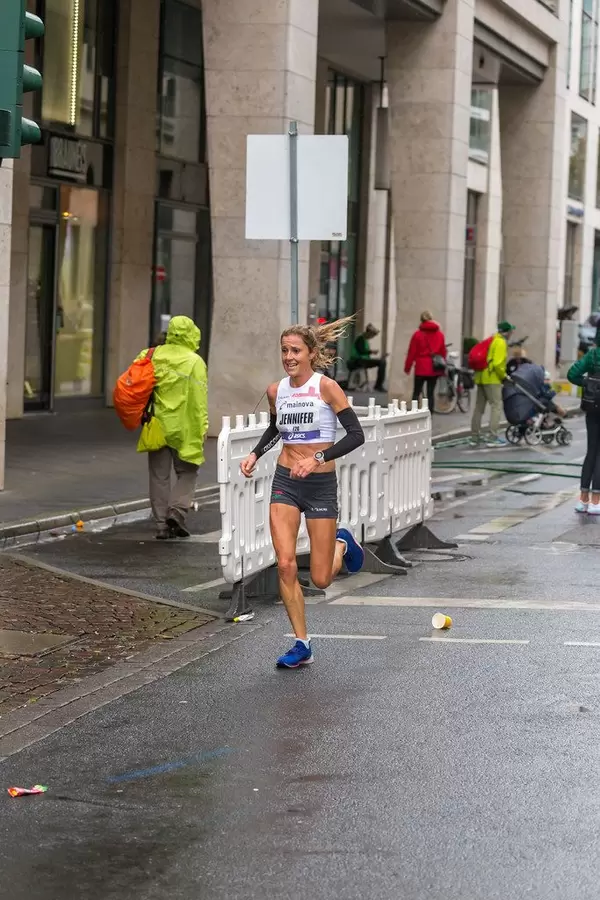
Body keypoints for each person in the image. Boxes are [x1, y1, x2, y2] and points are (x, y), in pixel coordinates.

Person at [240, 317, 366, 669]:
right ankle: (301, 642)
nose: (289, 357)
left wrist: (318, 458)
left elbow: (357, 435)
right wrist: (255, 453)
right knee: (285, 564)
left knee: (322, 578)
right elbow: (276, 428)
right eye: (284, 351)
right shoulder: (276, 391)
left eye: (296, 351)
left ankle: (342, 542)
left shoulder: (326, 388)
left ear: (312, 353)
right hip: (286, 481)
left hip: (320, 484)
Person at [136, 315, 208, 539]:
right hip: (184, 427)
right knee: (188, 472)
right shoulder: (194, 362)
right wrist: (203, 427)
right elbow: (199, 401)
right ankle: (176, 511)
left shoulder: (150, 355)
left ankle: (161, 525)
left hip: (156, 425)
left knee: (159, 476)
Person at [470, 321, 515, 447]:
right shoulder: (500, 342)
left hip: (481, 377)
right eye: (511, 331)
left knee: (479, 408)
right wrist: (504, 376)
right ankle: (493, 437)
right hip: (492, 379)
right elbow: (497, 364)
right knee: (496, 406)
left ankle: (475, 436)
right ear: (508, 332)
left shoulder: (491, 339)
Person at [568, 346, 600, 514]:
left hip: (593, 406)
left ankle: (583, 499)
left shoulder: (593, 354)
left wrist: (588, 382)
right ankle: (597, 501)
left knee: (591, 451)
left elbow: (572, 374)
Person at [404, 311, 447, 412]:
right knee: (430, 393)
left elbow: (412, 352)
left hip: (421, 367)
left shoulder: (417, 335)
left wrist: (407, 367)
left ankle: (414, 413)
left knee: (417, 392)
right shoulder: (440, 334)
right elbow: (443, 352)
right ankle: (429, 414)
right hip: (434, 367)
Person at [347, 323, 387, 392]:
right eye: (372, 335)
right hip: (356, 361)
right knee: (382, 362)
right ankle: (378, 385)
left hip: (362, 360)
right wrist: (371, 352)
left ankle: (378, 385)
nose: (372, 337)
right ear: (368, 333)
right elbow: (362, 351)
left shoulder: (364, 340)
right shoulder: (360, 339)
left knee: (382, 361)